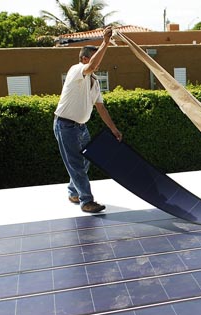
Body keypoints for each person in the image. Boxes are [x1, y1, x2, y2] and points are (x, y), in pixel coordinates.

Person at [54, 26, 122, 213]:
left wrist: (114, 129)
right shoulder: (76, 70)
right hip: (65, 126)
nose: (98, 64)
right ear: (85, 59)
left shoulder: (95, 81)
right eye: (94, 58)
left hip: (81, 127)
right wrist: (105, 42)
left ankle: (73, 191)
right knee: (76, 164)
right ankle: (86, 201)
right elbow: (91, 66)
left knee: (85, 161)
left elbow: (100, 107)